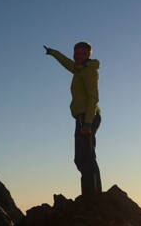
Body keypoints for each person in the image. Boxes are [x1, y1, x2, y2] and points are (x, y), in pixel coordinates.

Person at [44, 42, 102, 196]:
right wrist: (53, 52)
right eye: (75, 53)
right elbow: (67, 63)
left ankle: (93, 196)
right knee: (85, 157)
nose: (77, 56)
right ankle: (92, 194)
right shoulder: (79, 69)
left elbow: (93, 98)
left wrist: (88, 122)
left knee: (85, 157)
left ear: (88, 54)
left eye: (81, 53)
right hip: (83, 117)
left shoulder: (89, 71)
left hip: (87, 117)